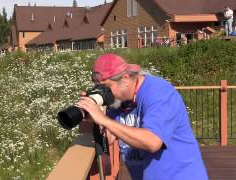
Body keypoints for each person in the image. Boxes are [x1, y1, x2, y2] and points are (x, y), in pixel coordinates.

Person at [77, 53, 208, 180]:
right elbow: (109, 138)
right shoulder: (117, 100)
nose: (104, 93)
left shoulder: (159, 93)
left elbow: (153, 141)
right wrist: (93, 115)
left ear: (125, 79)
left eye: (106, 87)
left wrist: (104, 120)